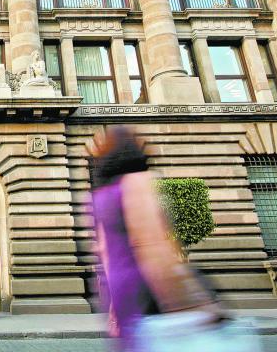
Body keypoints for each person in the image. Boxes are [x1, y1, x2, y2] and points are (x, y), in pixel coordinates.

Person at [90, 126, 222, 352]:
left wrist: (113, 308)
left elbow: (103, 252)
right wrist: (192, 301)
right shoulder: (137, 183)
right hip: (145, 287)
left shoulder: (98, 196)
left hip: (119, 289)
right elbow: (154, 248)